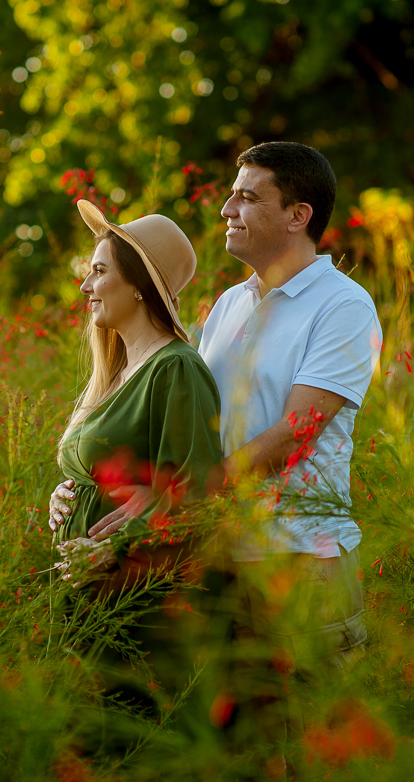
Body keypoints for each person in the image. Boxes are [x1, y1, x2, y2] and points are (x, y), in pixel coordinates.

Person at [53, 143, 381, 666]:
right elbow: (183, 422)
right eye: (231, 196)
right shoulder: (230, 303)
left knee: (313, 733)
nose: (227, 210)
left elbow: (297, 432)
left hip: (298, 556)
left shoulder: (342, 305)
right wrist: (90, 480)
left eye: (247, 198)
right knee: (241, 740)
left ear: (299, 216)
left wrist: (172, 497)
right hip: (220, 557)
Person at [49, 199, 224, 588]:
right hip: (87, 597)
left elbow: (195, 492)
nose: (85, 286)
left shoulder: (176, 368)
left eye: (99, 271)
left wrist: (114, 549)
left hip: (136, 596)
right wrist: (68, 495)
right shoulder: (116, 372)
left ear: (140, 285)